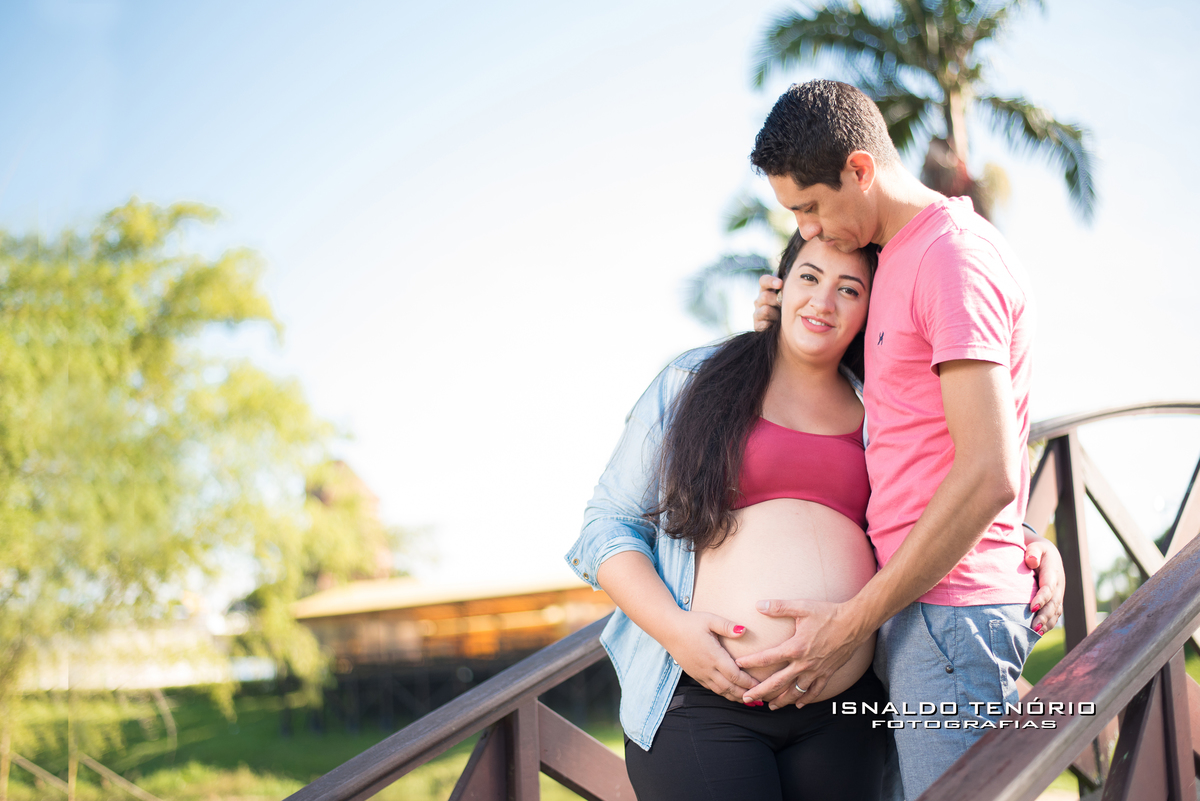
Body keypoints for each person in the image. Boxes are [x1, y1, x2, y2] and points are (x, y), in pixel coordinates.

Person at [740, 80, 1064, 799]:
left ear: (860, 169)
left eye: (811, 207)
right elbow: (920, 445)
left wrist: (851, 620)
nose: (810, 231)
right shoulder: (898, 262)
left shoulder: (953, 257)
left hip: (948, 615)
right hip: (915, 612)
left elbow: (987, 473)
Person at [565, 231, 888, 800]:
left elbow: (943, 505)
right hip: (704, 703)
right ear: (779, 286)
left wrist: (1027, 540)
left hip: (844, 713)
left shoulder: (881, 414)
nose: (823, 301)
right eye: (809, 278)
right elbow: (607, 524)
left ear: (870, 309)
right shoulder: (697, 381)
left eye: (850, 289)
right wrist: (676, 630)